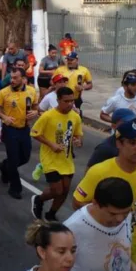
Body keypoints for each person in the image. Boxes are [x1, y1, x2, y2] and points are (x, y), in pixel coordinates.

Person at [73, 119, 136, 270]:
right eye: (132, 143)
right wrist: (106, 216)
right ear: (119, 144)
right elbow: (78, 202)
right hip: (104, 251)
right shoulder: (99, 171)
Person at [64, 177, 136, 271]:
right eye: (112, 214)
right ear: (95, 203)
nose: (120, 219)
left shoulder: (126, 215)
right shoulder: (71, 229)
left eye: (125, 212)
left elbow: (120, 252)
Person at [30, 87, 83, 221]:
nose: (70, 104)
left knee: (65, 191)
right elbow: (35, 133)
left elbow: (78, 135)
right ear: (58, 100)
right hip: (50, 158)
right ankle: (38, 199)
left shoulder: (75, 117)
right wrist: (51, 144)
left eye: (72, 101)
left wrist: (78, 141)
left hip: (66, 159)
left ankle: (51, 214)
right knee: (57, 190)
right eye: (66, 101)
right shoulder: (48, 116)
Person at [0, 68, 38, 199]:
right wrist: (3, 117)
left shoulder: (31, 91)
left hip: (24, 129)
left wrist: (35, 112)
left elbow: (36, 106)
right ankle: (15, 187)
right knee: (13, 160)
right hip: (10, 129)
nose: (12, 80)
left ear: (23, 79)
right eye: (11, 77)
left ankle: (4, 166)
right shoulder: (3, 93)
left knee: (24, 157)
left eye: (15, 78)